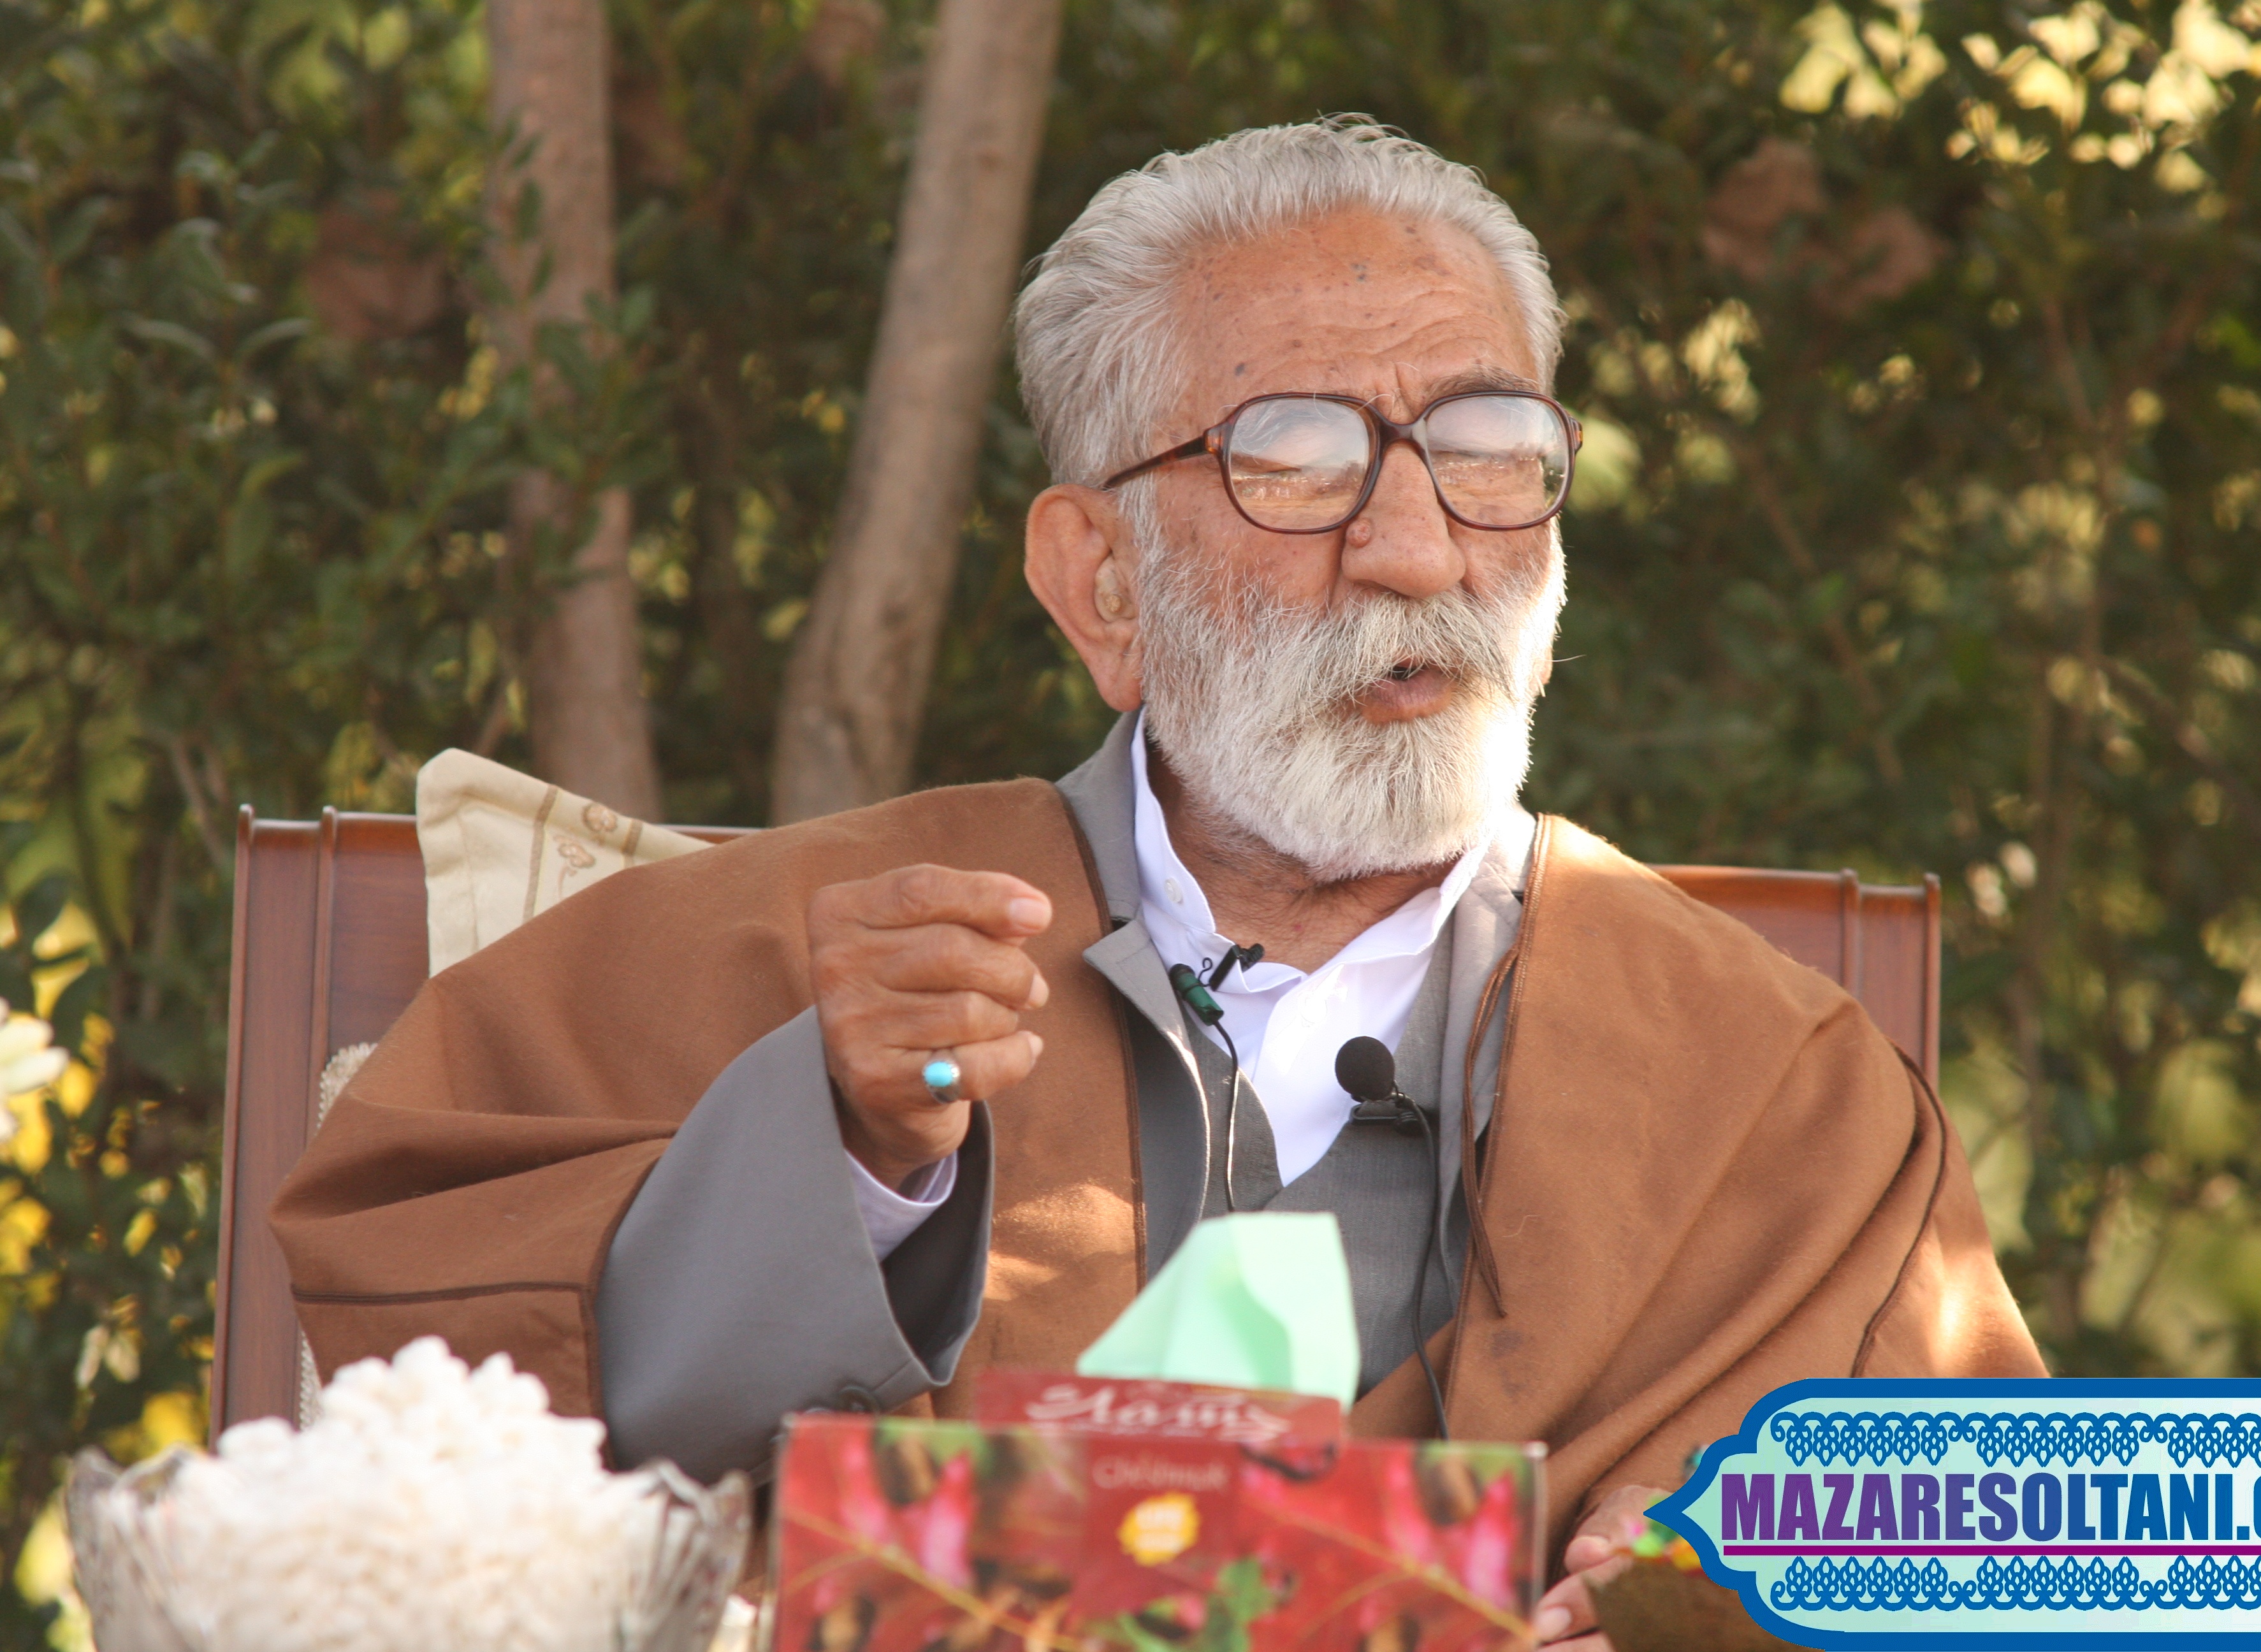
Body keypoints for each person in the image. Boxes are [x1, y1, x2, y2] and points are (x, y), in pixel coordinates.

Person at [272, 117, 2042, 1649]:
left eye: (1490, 449)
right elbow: (433, 1428)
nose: (1418, 551)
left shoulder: (1778, 1087)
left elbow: (1992, 1556)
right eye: (1293, 461)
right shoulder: (769, 961)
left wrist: (1740, 1586)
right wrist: (845, 1156)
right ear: (1101, 582)